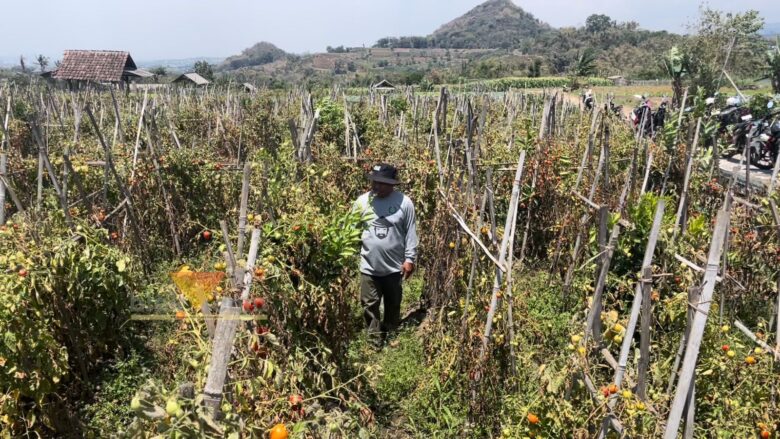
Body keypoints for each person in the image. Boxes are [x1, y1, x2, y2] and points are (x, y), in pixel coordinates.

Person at [352, 163, 418, 349]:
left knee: (393, 303)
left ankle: (391, 335)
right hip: (369, 266)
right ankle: (374, 342)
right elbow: (351, 229)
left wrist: (409, 259)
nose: (376, 186)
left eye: (381, 183)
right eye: (374, 182)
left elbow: (410, 233)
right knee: (369, 305)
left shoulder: (404, 203)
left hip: (394, 267)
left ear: (392, 185)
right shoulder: (362, 202)